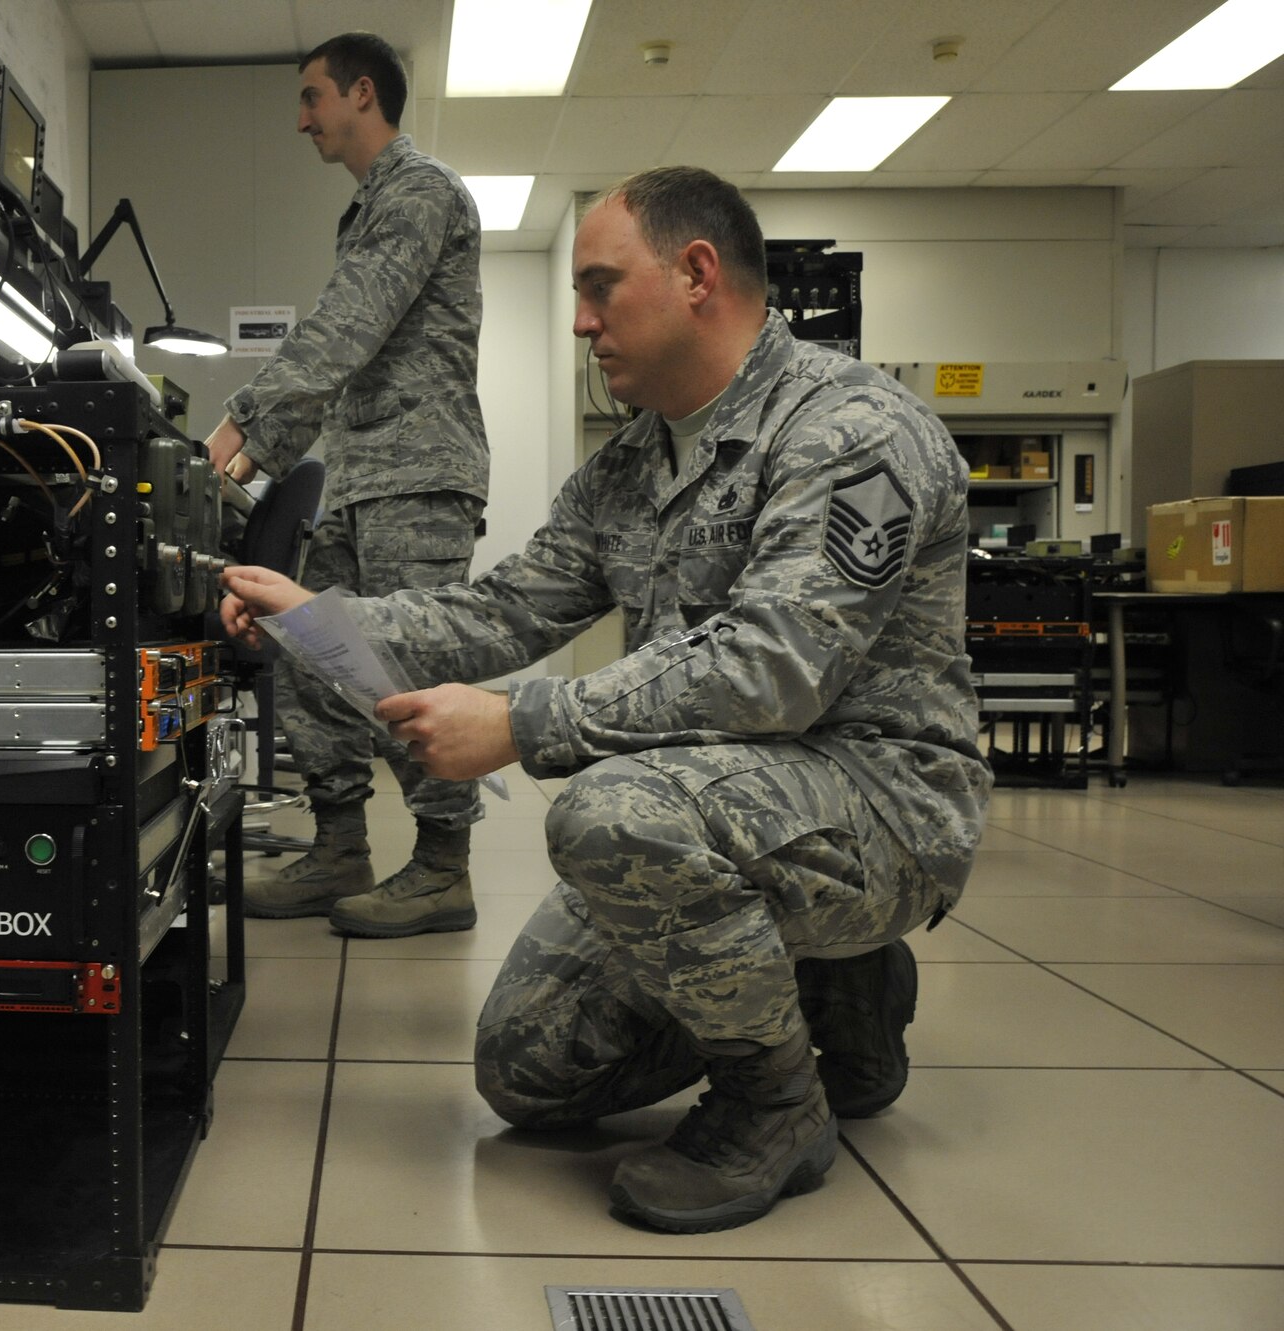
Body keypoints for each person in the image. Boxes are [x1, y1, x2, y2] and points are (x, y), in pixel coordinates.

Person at [220, 167, 989, 1233]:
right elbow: (496, 614)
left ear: (695, 275)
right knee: (528, 1074)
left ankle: (775, 1102)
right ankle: (820, 987)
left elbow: (776, 663)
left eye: (598, 288)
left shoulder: (850, 430)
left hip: (879, 804)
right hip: (726, 800)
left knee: (606, 809)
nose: (580, 321)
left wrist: (521, 725)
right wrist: (311, 617)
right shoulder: (626, 468)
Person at [202, 32, 490, 940]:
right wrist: (257, 453)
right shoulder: (370, 207)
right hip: (364, 475)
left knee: (409, 669)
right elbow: (349, 352)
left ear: (363, 94)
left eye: (312, 97)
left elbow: (346, 327)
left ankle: (444, 866)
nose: (301, 120)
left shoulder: (421, 192)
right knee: (314, 652)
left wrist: (243, 428)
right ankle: (339, 846)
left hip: (421, 476)